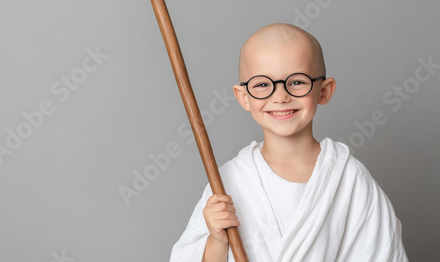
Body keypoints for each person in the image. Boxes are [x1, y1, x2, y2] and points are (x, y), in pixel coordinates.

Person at [169, 23, 408, 261]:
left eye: (297, 82)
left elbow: (381, 252)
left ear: (324, 91)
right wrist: (216, 241)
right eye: (262, 84)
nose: (280, 96)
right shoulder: (228, 181)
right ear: (244, 97)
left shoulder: (348, 177)